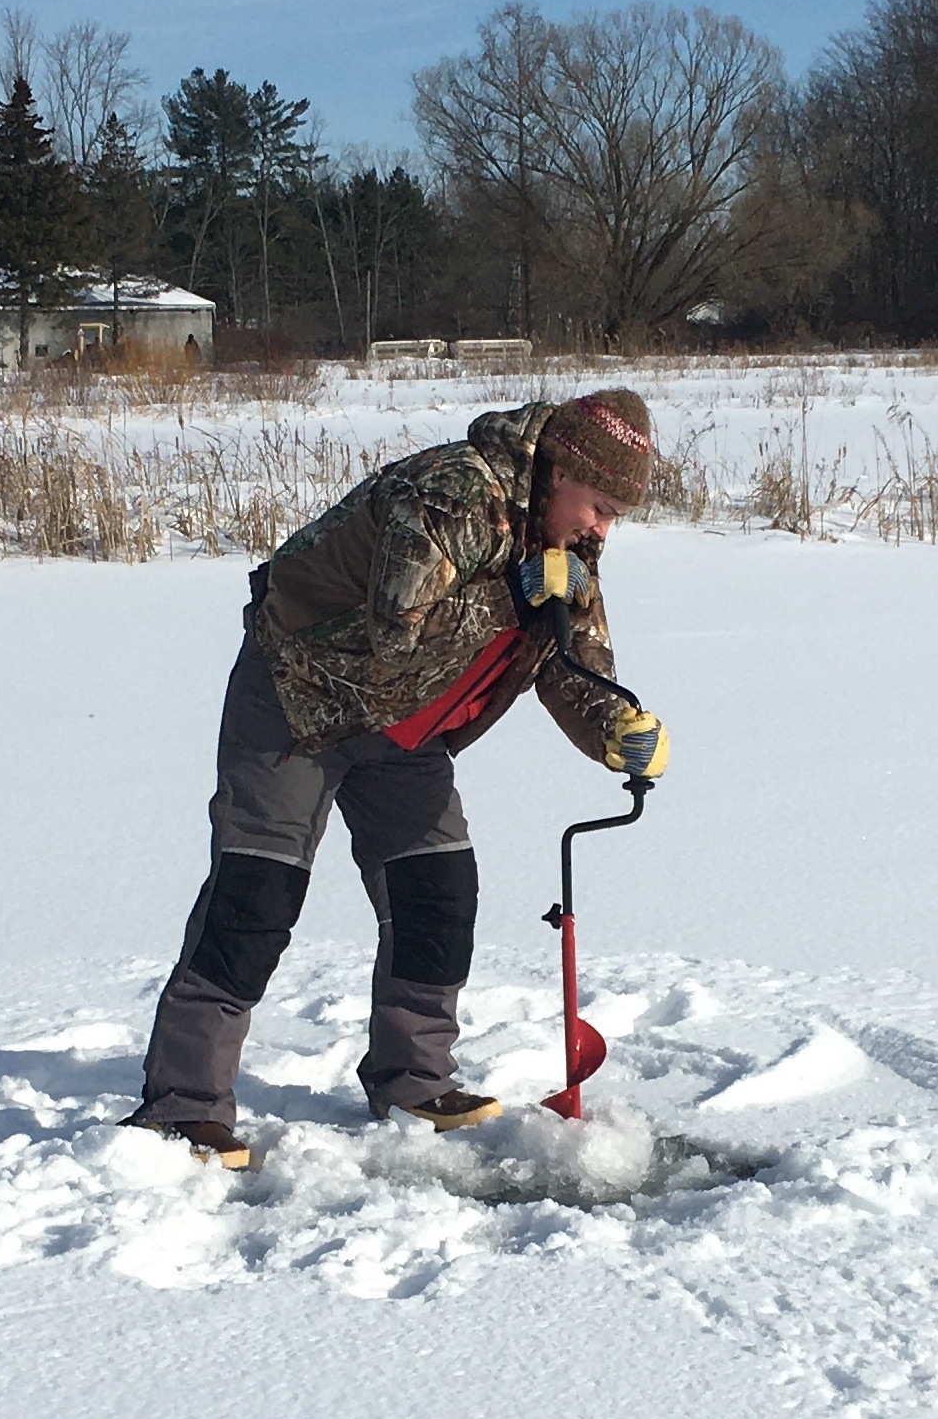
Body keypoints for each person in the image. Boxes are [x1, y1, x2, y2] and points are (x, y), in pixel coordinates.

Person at [123, 389, 671, 1168]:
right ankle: (183, 1104)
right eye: (599, 506)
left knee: (438, 891)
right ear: (559, 470)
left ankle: (413, 1076)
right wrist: (513, 593)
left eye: (616, 515)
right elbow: (396, 634)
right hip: (298, 695)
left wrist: (616, 725)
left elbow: (572, 660)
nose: (601, 529)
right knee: (257, 894)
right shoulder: (452, 493)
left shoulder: (565, 544)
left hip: (405, 730)